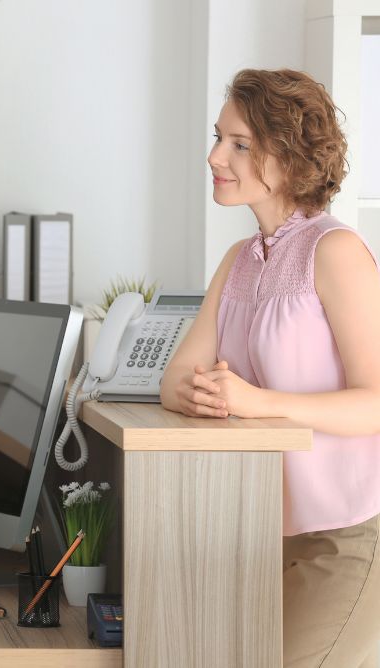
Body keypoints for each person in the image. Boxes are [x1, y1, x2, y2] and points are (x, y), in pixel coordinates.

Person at [160, 68, 380, 667]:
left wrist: (256, 401)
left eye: (238, 144)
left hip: (349, 540)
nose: (214, 156)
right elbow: (177, 379)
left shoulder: (336, 253)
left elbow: (375, 401)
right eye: (218, 138)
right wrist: (204, 395)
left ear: (287, 156)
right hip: (260, 537)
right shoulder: (239, 261)